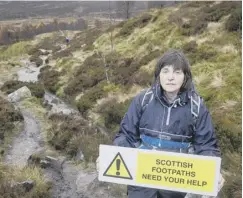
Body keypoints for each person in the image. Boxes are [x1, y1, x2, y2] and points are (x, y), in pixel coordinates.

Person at [111, 49, 223, 198]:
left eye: (177, 72)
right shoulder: (143, 100)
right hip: (141, 184)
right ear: (158, 75)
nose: (170, 77)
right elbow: (126, 135)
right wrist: (111, 156)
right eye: (165, 71)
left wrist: (213, 172)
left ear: (185, 77)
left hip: (178, 187)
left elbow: (206, 146)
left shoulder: (196, 107)